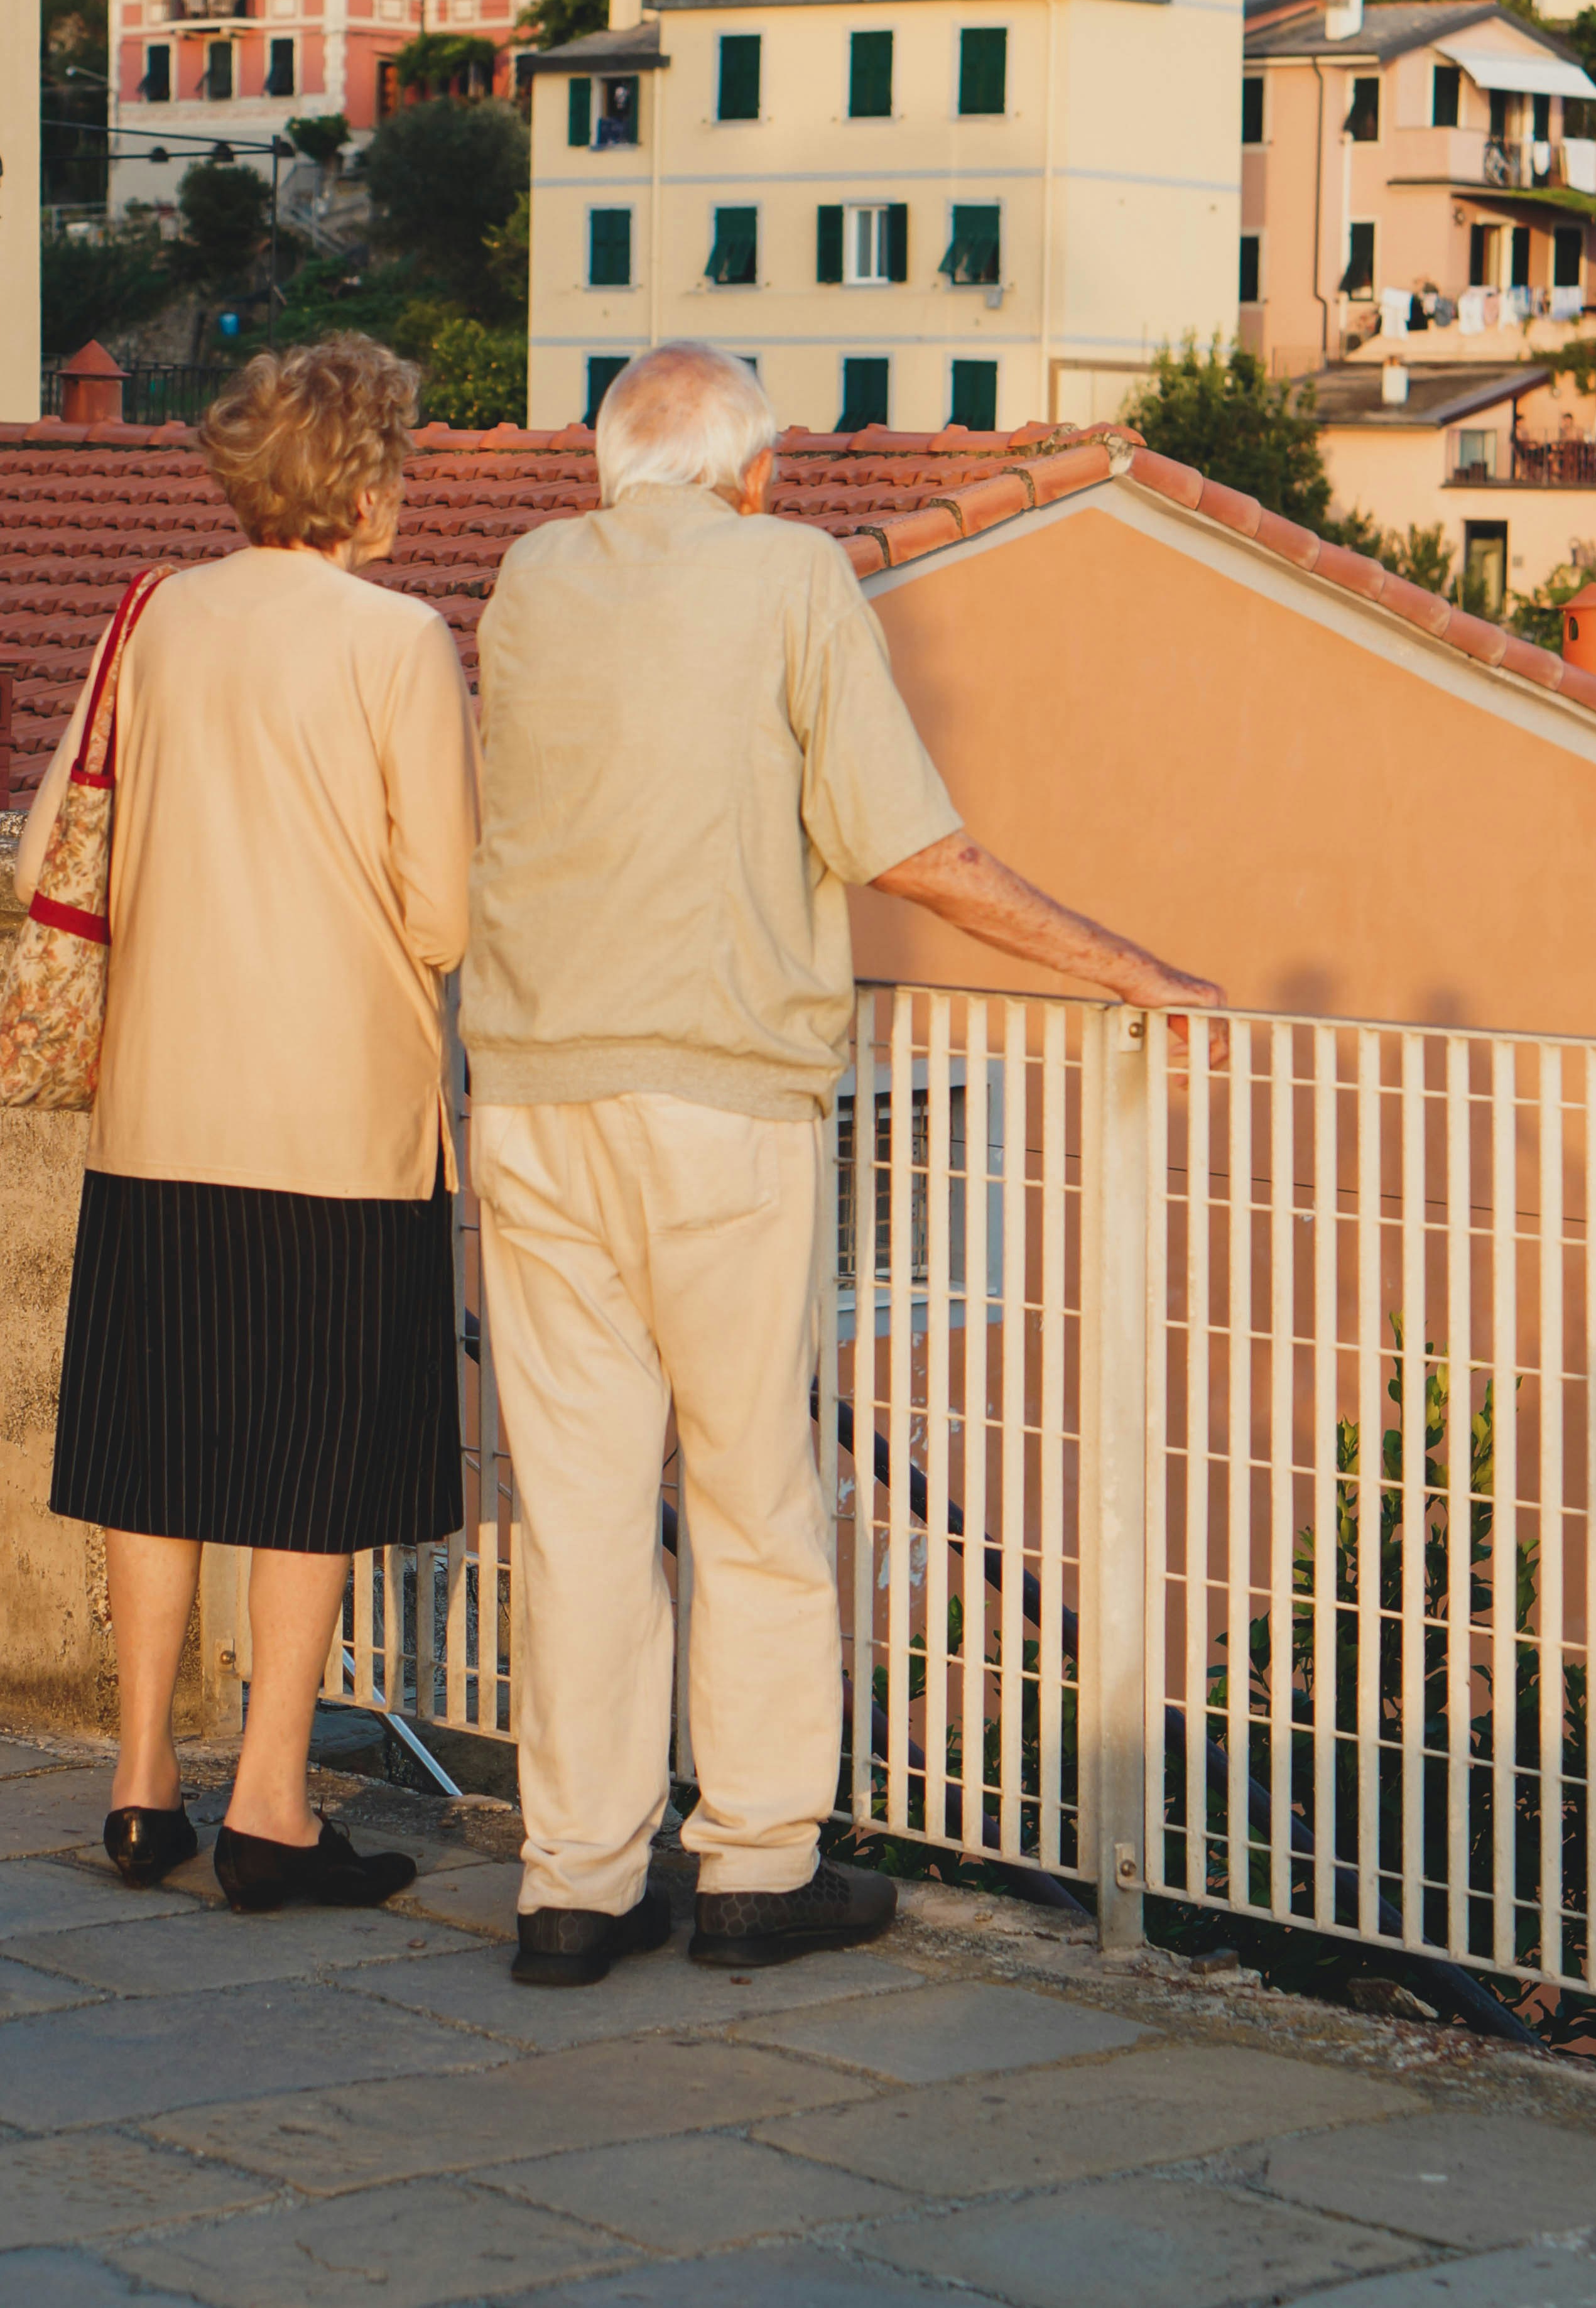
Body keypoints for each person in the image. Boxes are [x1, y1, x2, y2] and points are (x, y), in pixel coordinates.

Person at [462, 342, 1225, 1988]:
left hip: (527, 1087)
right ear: (750, 471)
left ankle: (574, 1888)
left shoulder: (528, 576)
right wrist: (1130, 967)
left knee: (581, 1505)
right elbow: (909, 846)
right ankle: (754, 1863)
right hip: (723, 1091)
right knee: (751, 1482)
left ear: (612, 464)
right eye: (773, 467)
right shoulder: (794, 571)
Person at [19, 337, 479, 1914]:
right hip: (334, 1114)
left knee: (156, 1442)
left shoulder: (152, 618)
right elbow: (442, 908)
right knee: (312, 1455)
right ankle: (271, 1802)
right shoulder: (399, 638)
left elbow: (47, 857)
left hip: (156, 1097)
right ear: (355, 476)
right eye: (400, 456)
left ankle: (142, 1784)